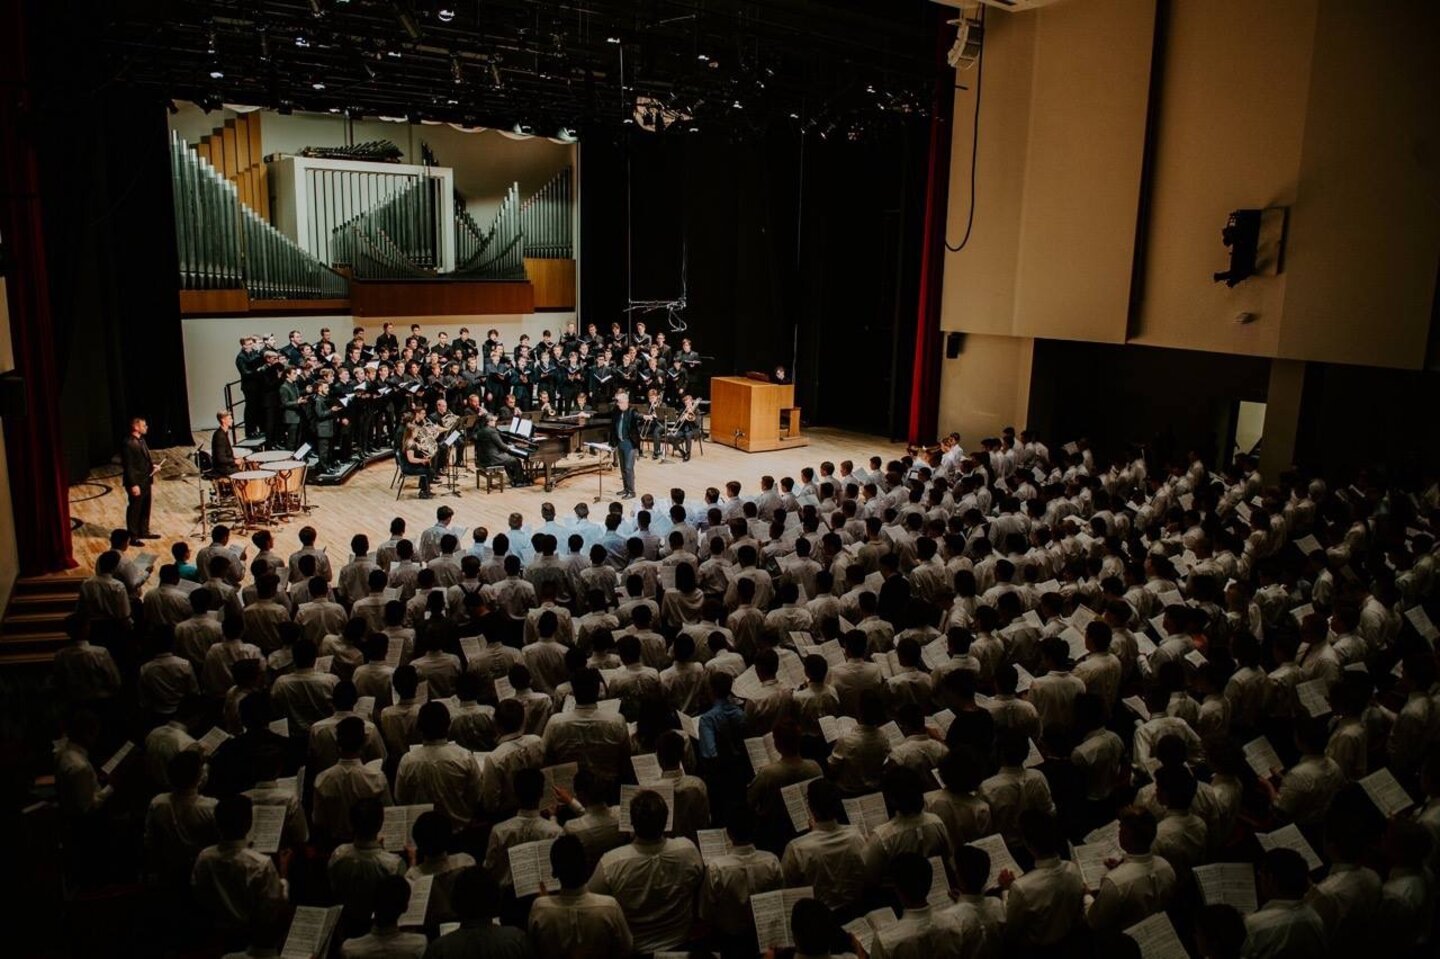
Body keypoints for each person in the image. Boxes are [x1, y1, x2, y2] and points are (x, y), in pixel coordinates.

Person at [527, 834, 632, 958]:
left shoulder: (539, 907)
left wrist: (544, 901)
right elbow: (627, 948)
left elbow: (533, 950)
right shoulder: (609, 907)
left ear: (554, 872)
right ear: (586, 867)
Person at [122, 415, 157, 543]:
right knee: (135, 508)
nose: (146, 427)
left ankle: (144, 531)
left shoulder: (141, 440)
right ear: (136, 427)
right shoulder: (128, 443)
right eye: (144, 425)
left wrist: (152, 466)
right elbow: (129, 466)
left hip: (146, 479)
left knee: (145, 506)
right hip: (136, 482)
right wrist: (133, 484)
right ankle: (133, 535)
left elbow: (143, 460)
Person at [609, 390, 640, 499]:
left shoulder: (632, 411)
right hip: (620, 442)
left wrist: (645, 417)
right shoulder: (617, 411)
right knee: (622, 468)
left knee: (628, 467)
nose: (618, 404)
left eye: (620, 402)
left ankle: (632, 492)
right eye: (618, 402)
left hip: (629, 443)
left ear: (626, 402)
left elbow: (637, 415)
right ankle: (625, 488)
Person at [211, 410, 239, 477]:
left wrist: (234, 458)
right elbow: (220, 458)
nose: (232, 420)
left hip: (225, 465)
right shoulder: (220, 436)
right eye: (230, 418)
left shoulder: (223, 433)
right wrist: (234, 461)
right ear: (223, 420)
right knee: (244, 470)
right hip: (222, 468)